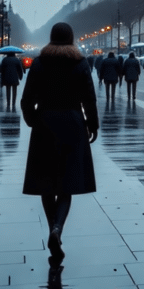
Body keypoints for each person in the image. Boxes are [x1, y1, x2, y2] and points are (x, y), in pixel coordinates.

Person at [20, 22, 98, 267]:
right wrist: (92, 124)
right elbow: (89, 98)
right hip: (73, 124)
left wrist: (33, 120)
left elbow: (26, 99)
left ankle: (52, 226)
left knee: (45, 181)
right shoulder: (80, 63)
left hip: (45, 122)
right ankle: (57, 228)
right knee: (67, 183)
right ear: (72, 38)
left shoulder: (40, 63)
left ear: (51, 39)